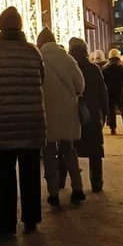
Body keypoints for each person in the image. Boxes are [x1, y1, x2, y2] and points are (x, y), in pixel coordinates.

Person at [0, 7, 47, 235]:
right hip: (33, 120)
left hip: (4, 120)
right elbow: (42, 80)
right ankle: (31, 218)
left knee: (6, 173)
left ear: (0, 27)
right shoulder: (34, 52)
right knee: (31, 171)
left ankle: (6, 222)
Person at [37, 27, 86, 206]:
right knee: (69, 149)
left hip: (46, 112)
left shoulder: (38, 59)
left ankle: (53, 193)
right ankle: (77, 188)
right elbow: (80, 85)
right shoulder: (68, 59)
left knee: (48, 152)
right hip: (67, 111)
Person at [69, 38, 109, 193]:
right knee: (94, 150)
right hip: (91, 113)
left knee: (68, 148)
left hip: (71, 113)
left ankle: (63, 181)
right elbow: (102, 91)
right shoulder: (93, 69)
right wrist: (105, 112)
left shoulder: (68, 67)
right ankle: (96, 181)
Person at [102, 49, 123, 135]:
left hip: (109, 91)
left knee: (111, 110)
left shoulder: (105, 68)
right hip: (120, 90)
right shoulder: (122, 67)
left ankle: (113, 128)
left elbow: (103, 80)